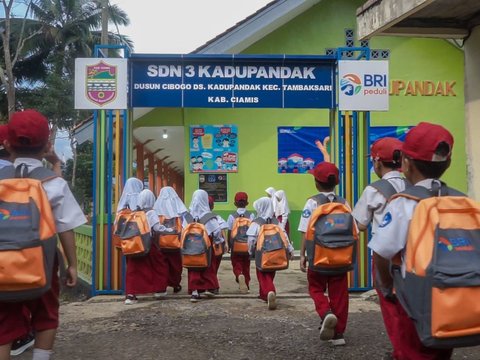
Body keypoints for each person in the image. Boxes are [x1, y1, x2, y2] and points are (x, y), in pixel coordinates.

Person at [0, 109, 87, 360]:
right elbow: (65, 227)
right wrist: (72, 265)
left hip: (3, 262)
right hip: (43, 262)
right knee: (46, 315)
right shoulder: (53, 182)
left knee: (3, 323)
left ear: (7, 143)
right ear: (48, 145)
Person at [372, 122, 456, 359]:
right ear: (447, 162)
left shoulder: (404, 203)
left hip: (416, 299)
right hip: (454, 297)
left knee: (412, 351)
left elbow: (382, 252)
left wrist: (387, 287)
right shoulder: (462, 201)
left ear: (406, 162)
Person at [352, 137, 407, 359]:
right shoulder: (412, 184)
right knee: (410, 303)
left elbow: (360, 225)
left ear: (376, 162)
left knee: (389, 302)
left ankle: (401, 351)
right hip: (415, 253)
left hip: (386, 255)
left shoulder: (373, 190)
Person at [298, 161, 353, 346]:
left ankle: (326, 313)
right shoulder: (344, 202)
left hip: (319, 255)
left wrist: (303, 255)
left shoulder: (312, 202)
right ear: (335, 183)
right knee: (340, 294)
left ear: (316, 182)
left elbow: (305, 231)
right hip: (341, 256)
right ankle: (339, 335)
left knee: (315, 288)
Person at [117, 184, 169, 304]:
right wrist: (169, 230)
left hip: (134, 245)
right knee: (159, 265)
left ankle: (131, 295)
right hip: (148, 245)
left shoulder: (133, 213)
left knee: (133, 270)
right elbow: (157, 228)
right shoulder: (151, 213)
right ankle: (159, 290)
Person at [247, 197, 294, 310]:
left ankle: (269, 292)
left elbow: (251, 240)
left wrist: (250, 251)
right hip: (276, 253)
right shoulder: (276, 222)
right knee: (270, 273)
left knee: (262, 275)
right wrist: (290, 250)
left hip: (262, 254)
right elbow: (285, 237)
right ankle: (263, 294)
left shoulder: (257, 223)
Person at [185, 190, 223, 302]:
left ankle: (194, 291)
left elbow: (183, 231)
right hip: (206, 246)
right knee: (208, 266)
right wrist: (217, 242)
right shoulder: (209, 216)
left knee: (193, 268)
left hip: (191, 245)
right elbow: (216, 231)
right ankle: (209, 287)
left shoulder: (188, 216)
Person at [153, 186, 187, 294]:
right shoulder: (179, 208)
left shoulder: (156, 209)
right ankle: (175, 284)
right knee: (176, 265)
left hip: (160, 243)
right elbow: (185, 225)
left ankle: (161, 286)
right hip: (175, 243)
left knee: (161, 265)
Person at [227, 191, 255, 293]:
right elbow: (253, 231)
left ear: (235, 203)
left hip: (236, 245)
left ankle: (239, 275)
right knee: (246, 265)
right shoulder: (251, 215)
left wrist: (229, 246)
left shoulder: (232, 216)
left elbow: (230, 232)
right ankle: (246, 285)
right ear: (247, 203)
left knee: (236, 263)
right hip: (247, 245)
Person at [208, 195, 228, 294]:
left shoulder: (194, 216)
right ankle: (212, 285)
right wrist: (226, 243)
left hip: (201, 247)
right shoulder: (216, 216)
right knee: (214, 267)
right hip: (216, 245)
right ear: (213, 206)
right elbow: (222, 228)